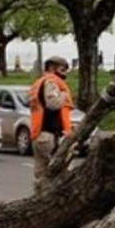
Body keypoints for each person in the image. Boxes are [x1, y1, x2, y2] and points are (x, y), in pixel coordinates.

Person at [28, 55, 74, 190]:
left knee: (41, 176)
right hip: (51, 136)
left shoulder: (38, 83)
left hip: (39, 134)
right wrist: (64, 95)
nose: (65, 72)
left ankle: (38, 203)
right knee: (62, 176)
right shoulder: (51, 82)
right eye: (62, 69)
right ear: (52, 68)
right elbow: (53, 104)